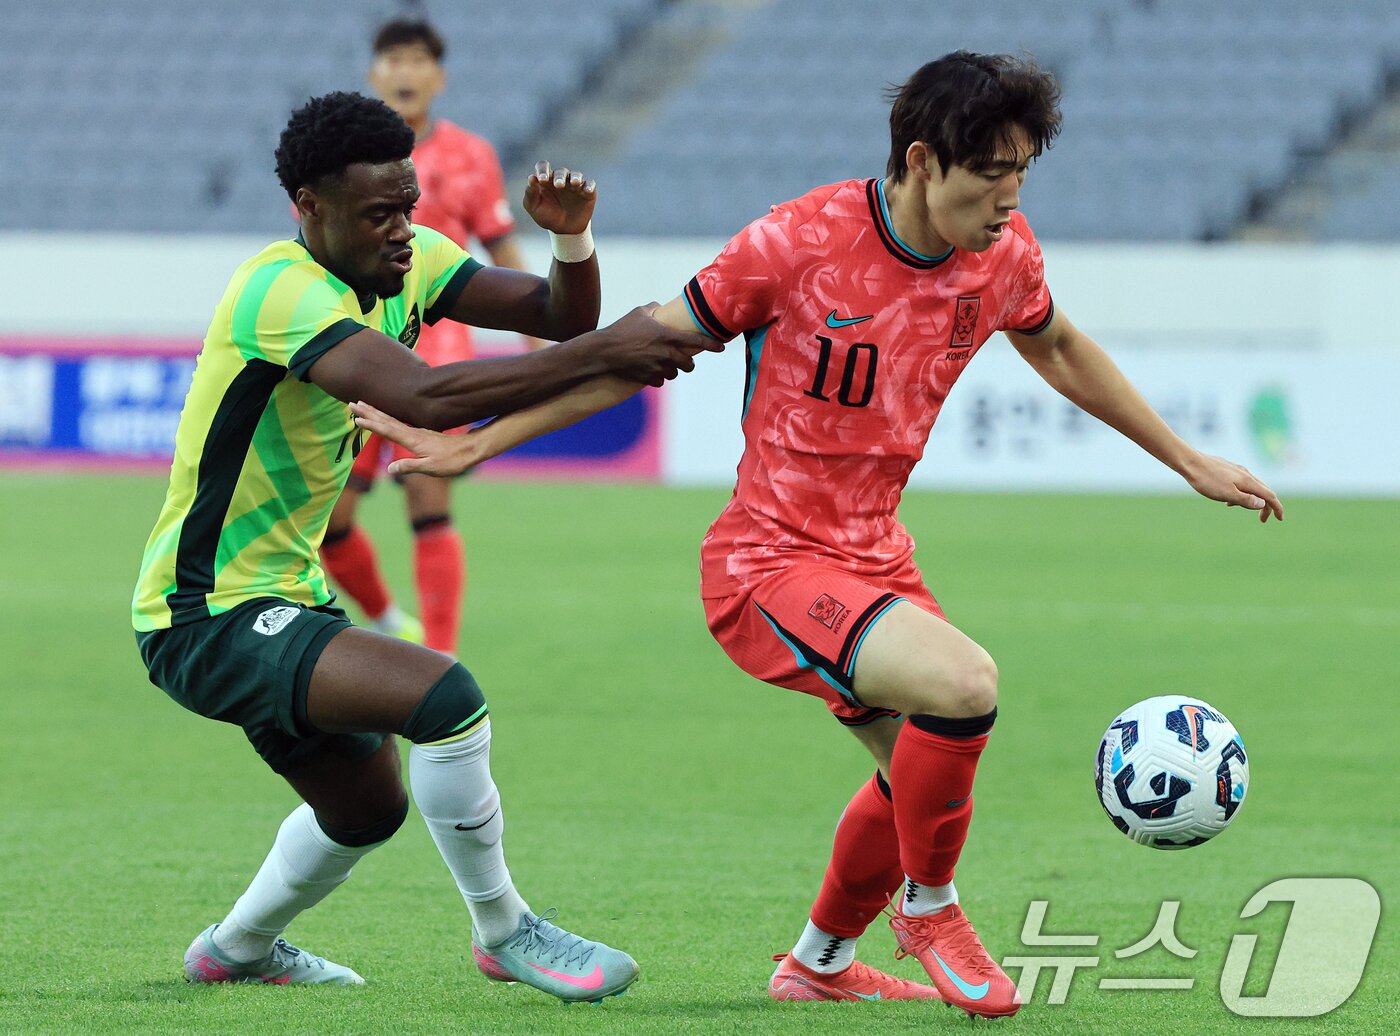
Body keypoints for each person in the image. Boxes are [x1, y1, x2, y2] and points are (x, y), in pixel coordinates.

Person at [348, 51, 1285, 1018]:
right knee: (963, 686)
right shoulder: (798, 242)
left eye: (1021, 173)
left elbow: (1057, 345)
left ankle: (820, 962)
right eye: (991, 172)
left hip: (876, 555)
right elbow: (636, 355)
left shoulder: (1003, 255)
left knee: (913, 771)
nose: (1009, 197)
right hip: (765, 561)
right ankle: (930, 908)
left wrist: (1189, 461)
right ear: (923, 160)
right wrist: (481, 443)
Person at [130, 90, 714, 999]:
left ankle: (236, 948)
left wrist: (571, 244)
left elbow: (556, 317)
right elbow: (428, 400)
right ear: (309, 208)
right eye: (379, 214)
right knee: (447, 696)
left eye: (409, 207)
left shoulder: (410, 259)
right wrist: (615, 352)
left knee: (367, 807)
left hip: (283, 594)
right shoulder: (276, 291)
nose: (404, 230)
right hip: (202, 613)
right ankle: (505, 932)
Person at [319, 18, 542, 656]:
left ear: (438, 79)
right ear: (373, 74)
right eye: (392, 59)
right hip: (356, 342)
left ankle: (440, 658)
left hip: (434, 343)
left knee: (426, 492)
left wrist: (535, 341)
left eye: (418, 61)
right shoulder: (339, 160)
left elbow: (500, 247)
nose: (405, 72)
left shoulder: (470, 156)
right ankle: (391, 622)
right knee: (332, 521)